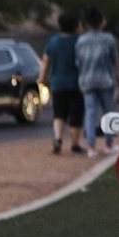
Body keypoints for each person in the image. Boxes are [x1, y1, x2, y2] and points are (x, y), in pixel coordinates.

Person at [76, 7, 119, 157]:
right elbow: (114, 59)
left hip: (86, 79)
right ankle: (109, 143)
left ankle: (91, 147)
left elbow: (78, 61)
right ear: (101, 22)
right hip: (105, 79)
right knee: (108, 112)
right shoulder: (108, 39)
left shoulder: (82, 40)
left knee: (90, 112)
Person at [40, 14, 85, 155]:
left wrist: (42, 77)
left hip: (57, 83)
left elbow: (46, 61)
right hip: (77, 84)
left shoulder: (53, 42)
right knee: (76, 114)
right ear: (76, 26)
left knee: (59, 113)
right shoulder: (79, 42)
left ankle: (58, 138)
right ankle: (75, 144)